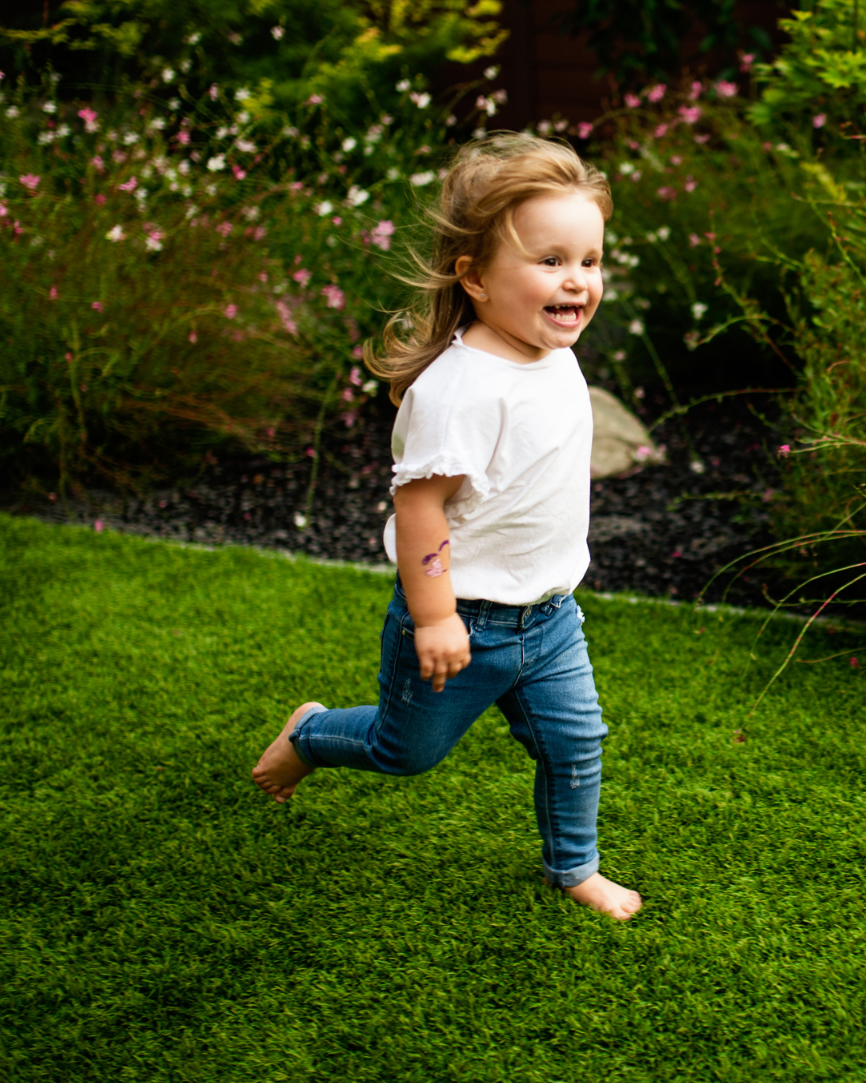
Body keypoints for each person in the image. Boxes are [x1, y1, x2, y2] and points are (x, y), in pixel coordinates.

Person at [251, 132, 641, 921]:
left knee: (576, 745)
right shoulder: (462, 389)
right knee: (405, 752)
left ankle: (574, 868)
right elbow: (420, 505)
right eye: (550, 261)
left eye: (589, 261)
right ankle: (313, 733)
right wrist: (434, 618)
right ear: (474, 276)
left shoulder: (549, 349)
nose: (577, 282)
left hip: (552, 617)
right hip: (463, 622)